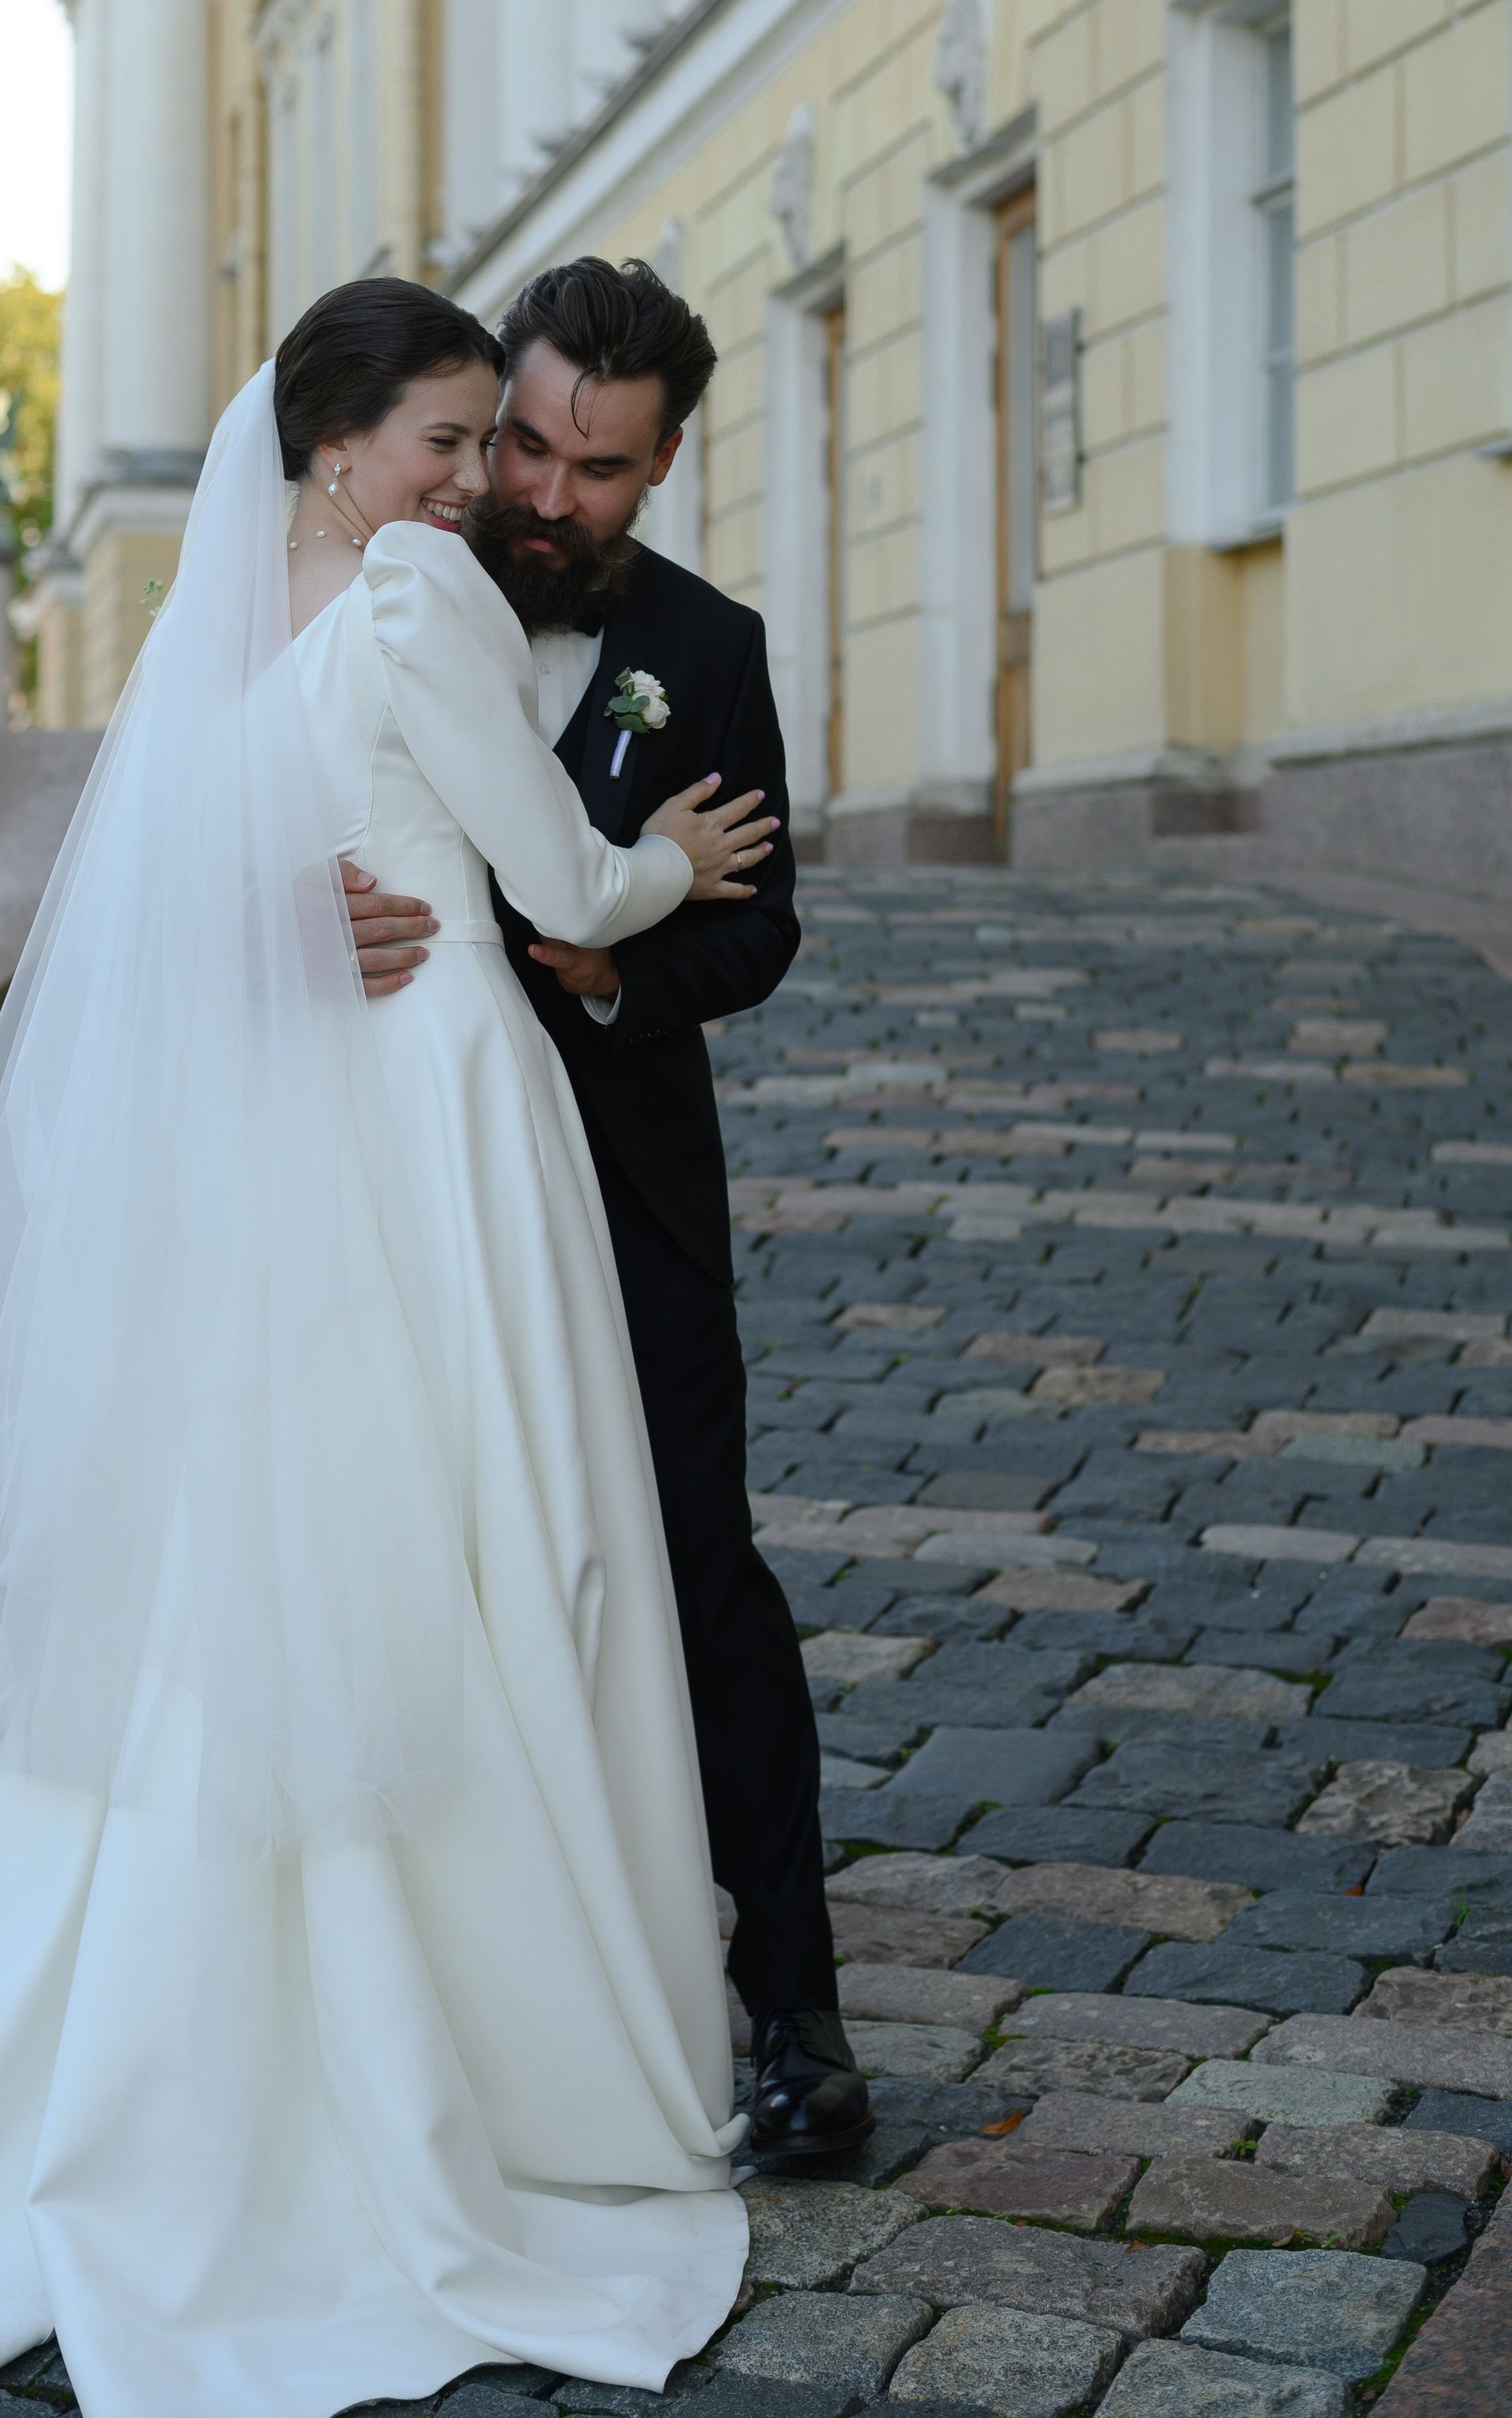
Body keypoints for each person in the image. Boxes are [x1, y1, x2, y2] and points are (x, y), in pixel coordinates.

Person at [0, 279, 782, 2418]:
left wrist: (283, 912)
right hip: (448, 1118)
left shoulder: (235, 615)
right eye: (456, 438)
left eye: (510, 444)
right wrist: (665, 857)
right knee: (512, 1537)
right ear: (338, 446)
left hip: (311, 1125)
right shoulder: (415, 599)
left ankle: (183, 2053)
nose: (485, 479)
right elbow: (555, 863)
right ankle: (527, 2054)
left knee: (314, 1541)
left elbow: (171, 875)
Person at [343, 257, 868, 2167]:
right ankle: (443, 2007)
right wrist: (288, 911)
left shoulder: (704, 646)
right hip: (401, 1174)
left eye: (597, 468)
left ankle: (787, 2006)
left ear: (661, 468)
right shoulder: (375, 570)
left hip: (623, 1190)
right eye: (530, 447)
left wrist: (611, 981)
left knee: (693, 1574)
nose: (544, 495)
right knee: (406, 1562)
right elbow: (215, 819)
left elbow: (757, 923)